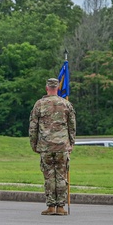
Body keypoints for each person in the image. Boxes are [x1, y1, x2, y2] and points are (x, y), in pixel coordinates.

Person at [29, 78, 76, 216]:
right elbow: (72, 126)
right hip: (62, 146)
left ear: (46, 88)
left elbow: (33, 127)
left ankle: (51, 206)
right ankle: (60, 207)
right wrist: (71, 143)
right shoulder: (66, 104)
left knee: (49, 176)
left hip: (46, 146)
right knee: (61, 175)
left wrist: (34, 144)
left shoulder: (39, 104)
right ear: (58, 88)